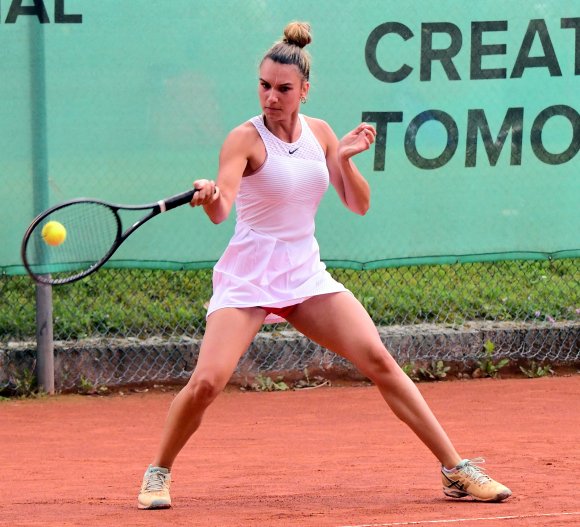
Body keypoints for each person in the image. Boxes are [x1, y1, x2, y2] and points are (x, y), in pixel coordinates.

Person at [137, 21, 512, 510]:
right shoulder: (243, 140)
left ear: (305, 91)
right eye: (264, 86)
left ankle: (455, 470)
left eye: (283, 89)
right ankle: (157, 472)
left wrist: (347, 159)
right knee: (207, 383)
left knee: (379, 361)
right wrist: (208, 194)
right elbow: (222, 209)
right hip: (250, 276)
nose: (271, 97)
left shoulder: (321, 134)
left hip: (305, 275)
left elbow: (358, 204)